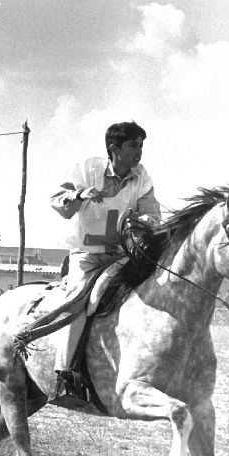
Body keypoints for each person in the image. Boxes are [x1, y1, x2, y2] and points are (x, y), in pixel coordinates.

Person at [49, 121, 160, 399]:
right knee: (77, 299)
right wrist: (79, 195)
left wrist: (144, 220)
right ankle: (63, 372)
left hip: (122, 255)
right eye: (133, 146)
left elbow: (154, 215)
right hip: (87, 257)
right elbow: (58, 202)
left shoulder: (142, 177)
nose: (139, 152)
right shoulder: (85, 169)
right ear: (114, 148)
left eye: (141, 146)